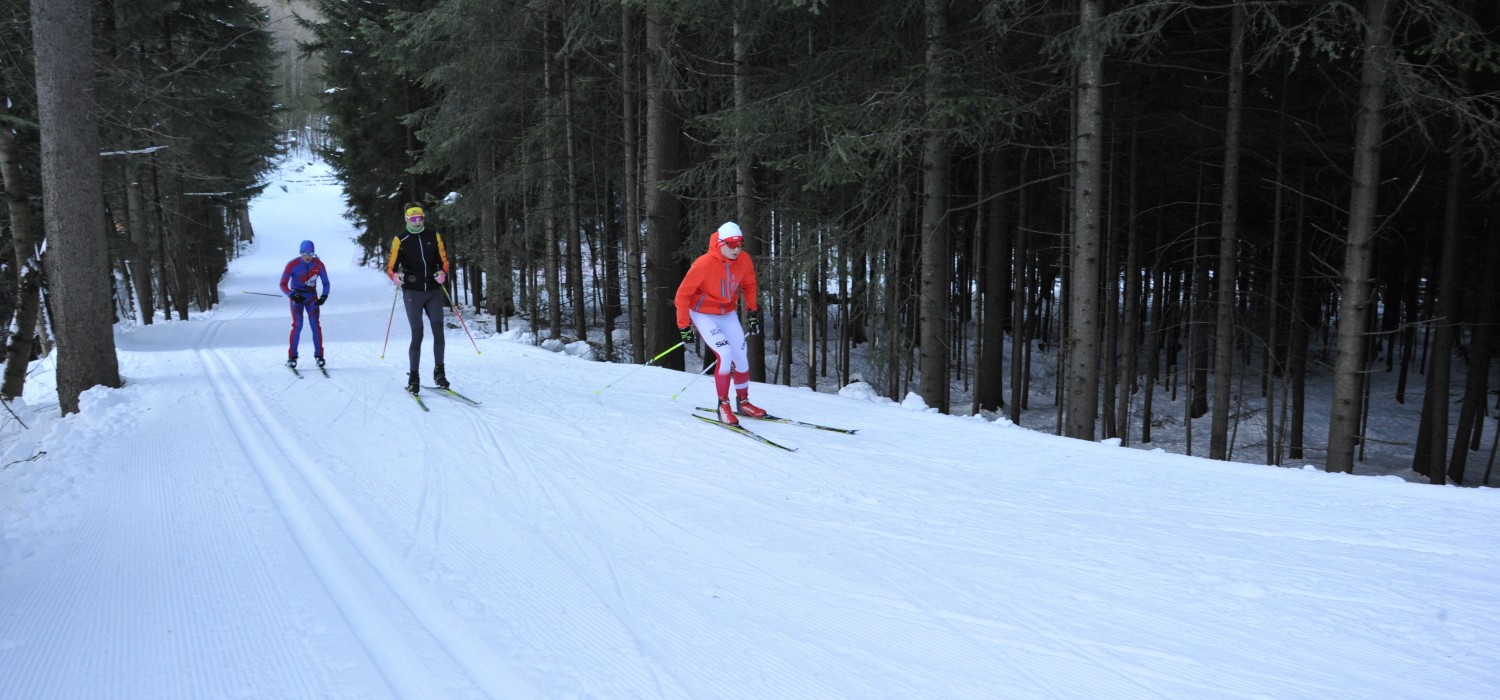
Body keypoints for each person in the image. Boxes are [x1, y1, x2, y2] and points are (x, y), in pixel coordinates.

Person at [674, 221, 766, 426]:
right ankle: (723, 405)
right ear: (721, 243)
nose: (736, 249)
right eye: (732, 244)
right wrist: (684, 326)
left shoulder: (744, 260)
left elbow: (749, 286)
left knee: (741, 358)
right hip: (702, 313)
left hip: (727, 313)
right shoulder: (703, 264)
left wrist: (752, 312)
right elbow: (682, 296)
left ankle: (743, 402)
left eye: (740, 244)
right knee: (724, 354)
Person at [386, 203, 451, 394]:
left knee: (439, 331)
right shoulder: (400, 239)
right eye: (413, 219)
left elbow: (444, 261)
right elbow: (391, 267)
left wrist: (442, 272)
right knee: (418, 334)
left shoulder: (433, 235)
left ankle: (439, 372)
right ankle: (414, 377)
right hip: (413, 292)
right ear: (407, 219)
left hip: (432, 290)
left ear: (423, 218)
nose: (417, 222)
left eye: (420, 218)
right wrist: (395, 277)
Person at [280, 239, 330, 368]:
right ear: (300, 253)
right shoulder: (292, 265)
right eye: (305, 253)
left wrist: (323, 296)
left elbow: (326, 283)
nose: (308, 256)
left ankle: (319, 356)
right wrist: (292, 295)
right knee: (298, 325)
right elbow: (282, 284)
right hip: (297, 297)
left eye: (311, 253)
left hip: (311, 297)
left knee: (315, 325)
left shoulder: (318, 264)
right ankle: (292, 356)